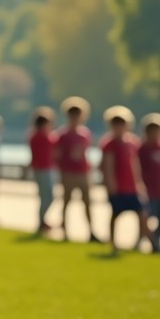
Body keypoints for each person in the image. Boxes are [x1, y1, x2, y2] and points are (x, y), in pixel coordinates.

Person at [98, 106, 151, 255]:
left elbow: (135, 164)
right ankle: (113, 243)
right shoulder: (108, 144)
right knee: (116, 215)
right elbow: (106, 166)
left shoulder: (132, 142)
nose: (119, 127)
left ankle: (139, 241)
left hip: (132, 186)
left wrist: (139, 183)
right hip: (117, 187)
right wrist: (110, 183)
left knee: (142, 214)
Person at [54, 96, 102, 243]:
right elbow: (57, 155)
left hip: (83, 172)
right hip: (68, 173)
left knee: (87, 203)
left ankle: (91, 232)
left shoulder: (85, 134)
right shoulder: (62, 135)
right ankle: (64, 231)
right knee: (66, 202)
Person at [137, 112, 160, 253]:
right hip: (147, 189)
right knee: (145, 217)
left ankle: (156, 240)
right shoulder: (141, 149)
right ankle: (149, 241)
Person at [27, 106, 58, 234]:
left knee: (45, 197)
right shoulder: (42, 137)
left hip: (41, 169)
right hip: (43, 169)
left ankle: (42, 221)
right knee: (48, 197)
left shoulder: (34, 136)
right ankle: (41, 222)